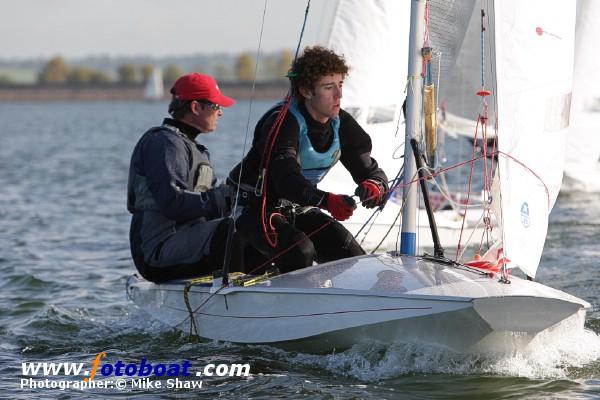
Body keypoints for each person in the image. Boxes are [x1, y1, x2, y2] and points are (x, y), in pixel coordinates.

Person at [229, 46, 389, 273]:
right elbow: (287, 179)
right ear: (305, 90)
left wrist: (375, 186)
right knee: (300, 251)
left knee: (353, 259)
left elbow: (369, 169)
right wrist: (326, 201)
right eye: (328, 87)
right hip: (253, 209)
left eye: (340, 85)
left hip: (298, 207)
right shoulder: (282, 123)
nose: (339, 95)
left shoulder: (341, 123)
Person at [127, 73, 237, 283]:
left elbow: (207, 207)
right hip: (157, 251)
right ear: (196, 107)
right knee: (231, 231)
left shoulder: (192, 148)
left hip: (186, 240)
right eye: (216, 106)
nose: (221, 112)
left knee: (249, 225)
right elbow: (173, 203)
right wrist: (223, 198)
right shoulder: (165, 143)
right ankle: (235, 296)